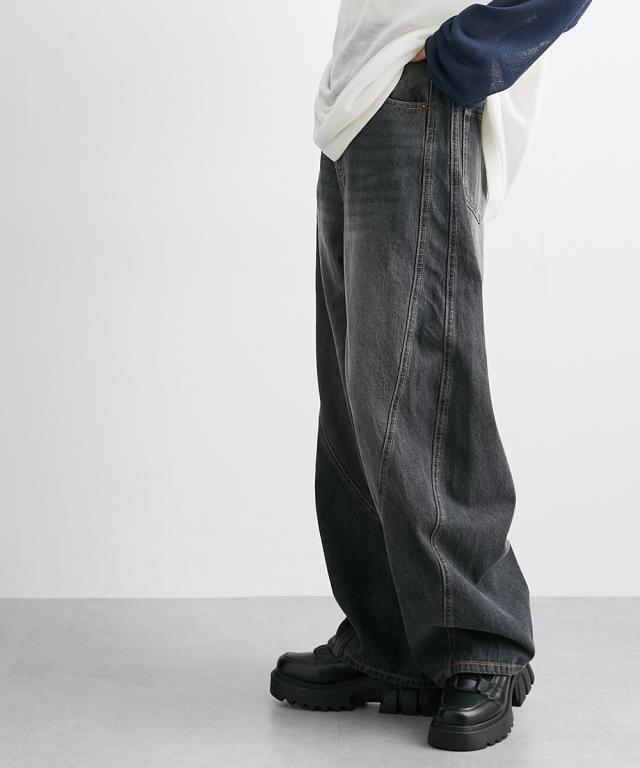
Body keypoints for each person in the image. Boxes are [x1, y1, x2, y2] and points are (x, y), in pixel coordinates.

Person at [270, 0, 593, 752]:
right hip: (356, 104)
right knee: (357, 401)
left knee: (415, 387)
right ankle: (390, 642)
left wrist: (463, 53)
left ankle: (481, 644)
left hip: (419, 91)